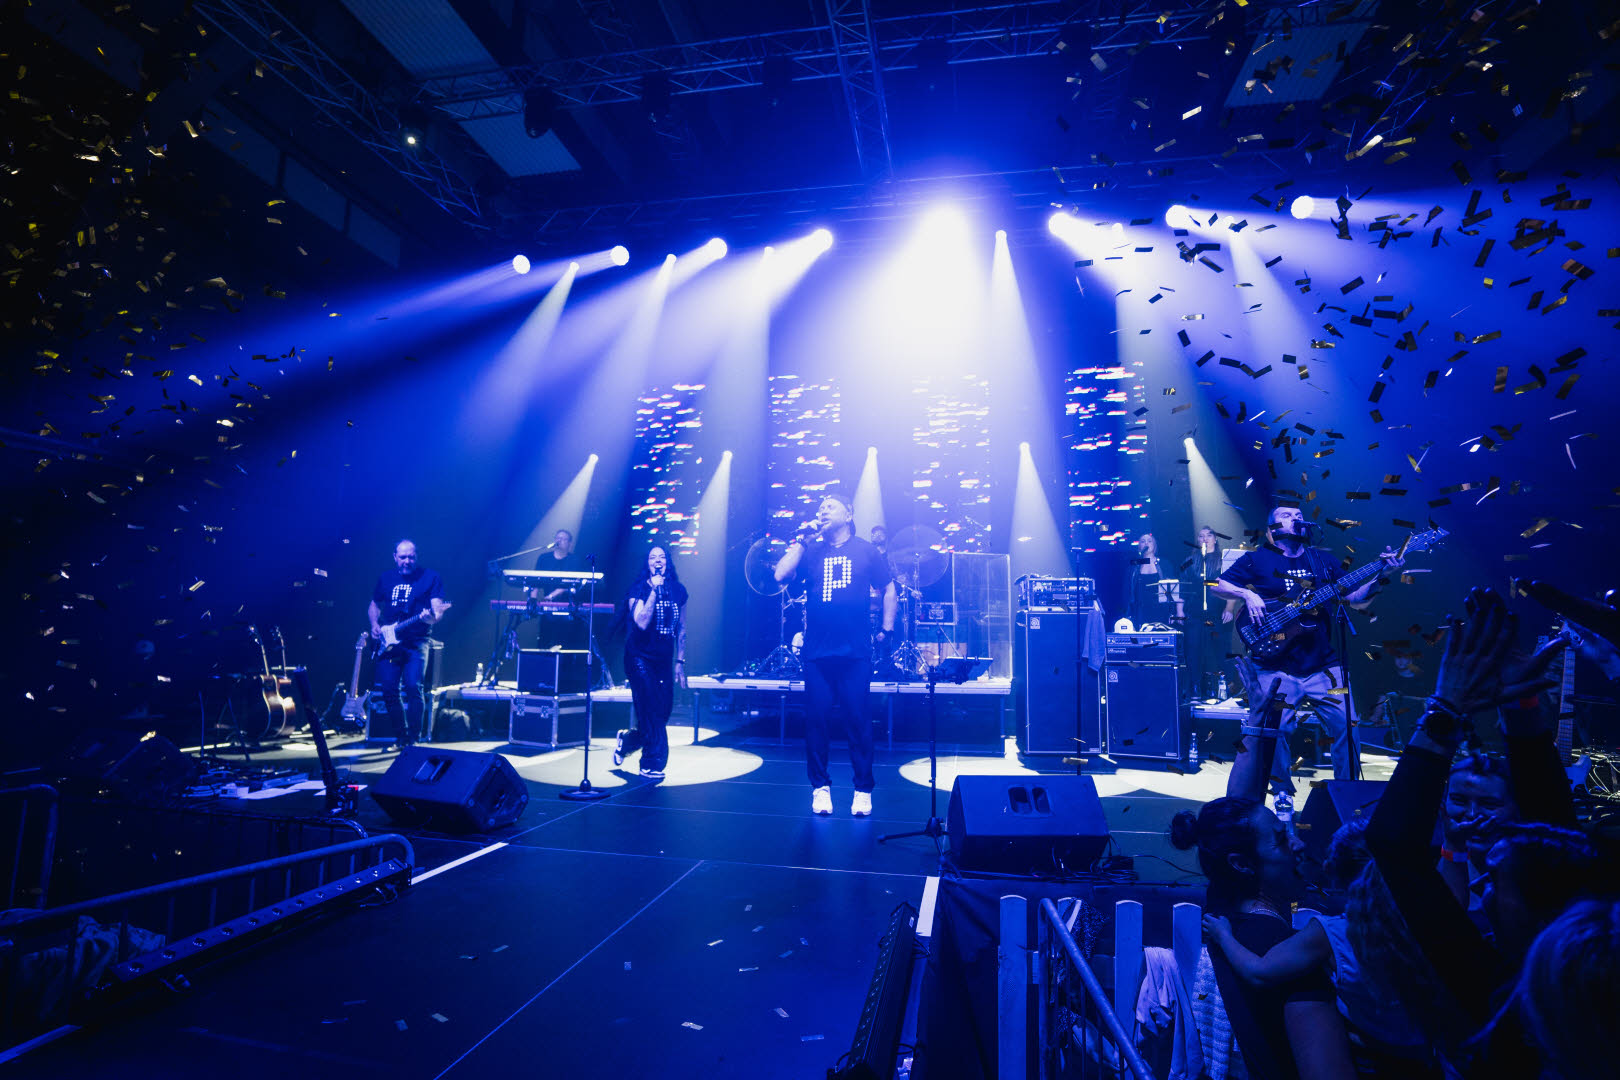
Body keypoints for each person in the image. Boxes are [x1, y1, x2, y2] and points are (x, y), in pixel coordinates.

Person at [1170, 677, 1357, 1079]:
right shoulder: (1288, 957)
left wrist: (1258, 722)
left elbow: (1240, 813)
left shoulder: (1224, 909)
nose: (1298, 843)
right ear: (1242, 864)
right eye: (1281, 839)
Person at [1211, 506, 1405, 786]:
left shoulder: (1322, 561)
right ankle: (1282, 795)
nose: (1295, 517)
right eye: (1286, 515)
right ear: (1272, 528)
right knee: (1275, 730)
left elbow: (1357, 599)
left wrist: (1383, 574)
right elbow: (1214, 583)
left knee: (1348, 723)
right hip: (1274, 666)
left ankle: (1347, 793)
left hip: (1324, 666)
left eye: (1298, 514)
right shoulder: (1257, 559)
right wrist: (1246, 595)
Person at [774, 492, 896, 817]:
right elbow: (780, 574)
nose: (823, 510)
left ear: (849, 514)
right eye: (820, 507)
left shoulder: (866, 551)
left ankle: (863, 789)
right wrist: (802, 540)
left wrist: (887, 629)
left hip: (855, 653)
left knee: (858, 722)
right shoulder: (812, 550)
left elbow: (888, 588)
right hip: (817, 653)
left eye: (830, 506)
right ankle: (820, 787)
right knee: (816, 722)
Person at [613, 546, 687, 780]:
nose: (658, 560)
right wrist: (654, 590)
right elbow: (642, 622)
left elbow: (681, 628)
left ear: (668, 562)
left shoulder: (679, 590)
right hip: (639, 657)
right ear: (647, 563)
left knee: (663, 711)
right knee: (651, 708)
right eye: (653, 557)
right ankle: (651, 763)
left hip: (664, 660)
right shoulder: (639, 589)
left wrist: (680, 660)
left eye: (662, 557)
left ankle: (627, 741)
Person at [367, 539, 449, 750]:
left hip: (417, 642)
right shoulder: (386, 578)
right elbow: (374, 604)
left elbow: (437, 611)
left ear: (416, 557)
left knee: (413, 686)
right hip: (389, 644)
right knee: (388, 689)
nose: (407, 561)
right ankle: (401, 738)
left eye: (411, 557)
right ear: (395, 557)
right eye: (403, 557)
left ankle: (414, 739)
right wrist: (375, 624)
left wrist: (430, 618)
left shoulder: (430, 577)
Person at [1130, 533, 1181, 626]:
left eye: (1149, 541)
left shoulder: (1164, 564)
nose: (1146, 543)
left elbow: (1173, 591)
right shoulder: (1135, 566)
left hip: (1161, 611)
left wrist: (1173, 612)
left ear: (1154, 545)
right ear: (1139, 546)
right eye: (1143, 541)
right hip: (1141, 612)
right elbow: (1129, 591)